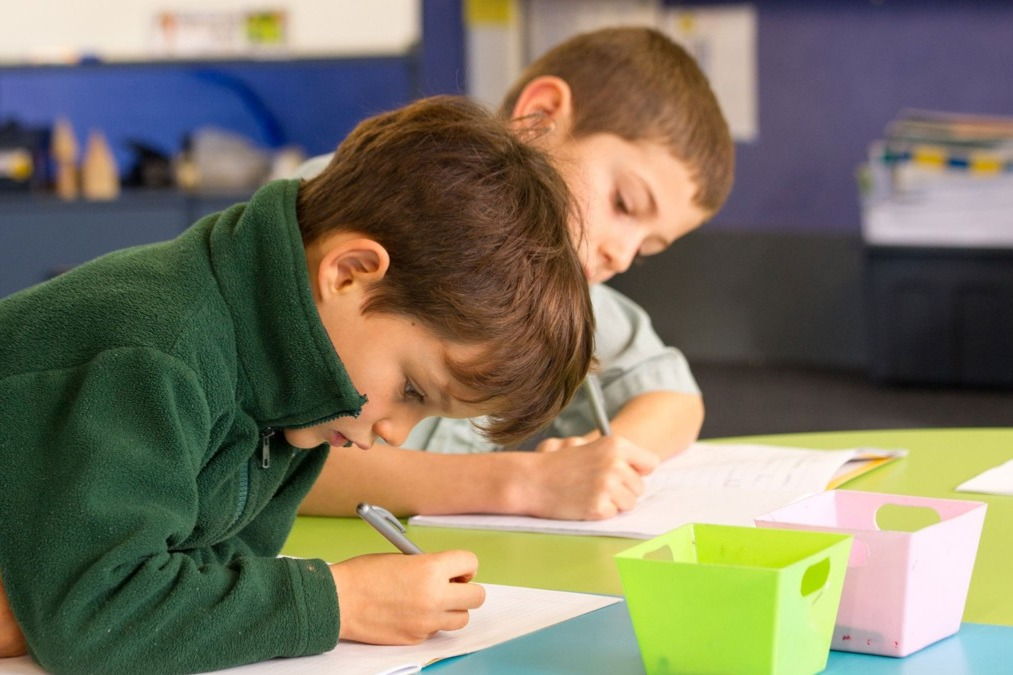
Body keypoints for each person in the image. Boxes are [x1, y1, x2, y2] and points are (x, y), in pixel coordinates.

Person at [0, 96, 594, 672]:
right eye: (412, 389)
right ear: (350, 273)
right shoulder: (157, 350)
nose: (392, 433)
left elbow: (205, 570)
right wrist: (342, 602)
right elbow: (95, 619)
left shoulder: (300, 394)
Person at [295, 26, 735, 521]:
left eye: (648, 249)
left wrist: (599, 462)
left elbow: (674, 397)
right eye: (624, 204)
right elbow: (269, 465)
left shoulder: (552, 281)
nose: (622, 255)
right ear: (542, 113)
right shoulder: (350, 205)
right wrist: (522, 483)